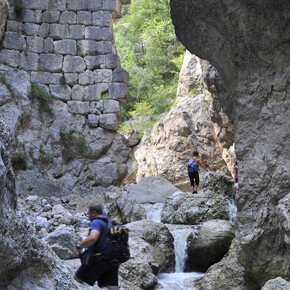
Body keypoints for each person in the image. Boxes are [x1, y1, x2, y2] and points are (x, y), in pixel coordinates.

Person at [73, 204, 119, 290]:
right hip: (113, 258)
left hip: (100, 258)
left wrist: (79, 246)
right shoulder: (110, 223)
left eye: (89, 213)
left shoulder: (96, 222)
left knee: (77, 278)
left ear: (94, 212)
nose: (88, 215)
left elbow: (93, 237)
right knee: (112, 285)